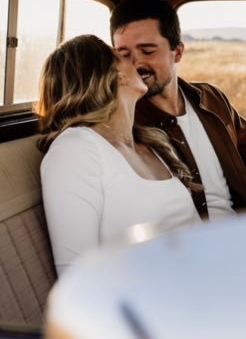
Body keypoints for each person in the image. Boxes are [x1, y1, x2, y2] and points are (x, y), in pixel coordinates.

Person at [110, 0, 246, 220]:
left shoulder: (211, 98)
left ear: (177, 52)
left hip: (240, 232)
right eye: (124, 54)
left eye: (148, 51)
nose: (135, 64)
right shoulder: (120, 121)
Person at [36, 34, 201, 275]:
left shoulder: (151, 145)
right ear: (114, 74)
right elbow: (77, 274)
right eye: (123, 56)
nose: (136, 62)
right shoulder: (75, 149)